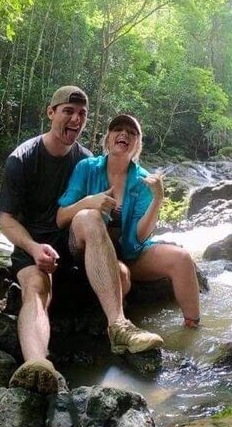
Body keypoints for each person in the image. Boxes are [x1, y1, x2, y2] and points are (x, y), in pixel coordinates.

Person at [0, 87, 163, 395]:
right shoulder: (22, 159)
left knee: (110, 255)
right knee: (35, 287)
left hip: (73, 247)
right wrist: (33, 248)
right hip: (33, 249)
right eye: (68, 111)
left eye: (82, 114)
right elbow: (6, 220)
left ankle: (119, 326)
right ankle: (37, 364)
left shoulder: (86, 161)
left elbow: (107, 220)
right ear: (51, 113)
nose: (76, 119)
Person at [56, 114, 201, 331]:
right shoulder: (86, 167)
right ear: (108, 138)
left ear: (136, 145)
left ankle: (193, 330)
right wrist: (88, 202)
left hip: (125, 252)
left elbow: (138, 239)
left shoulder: (142, 180)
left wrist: (158, 199)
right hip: (86, 249)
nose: (123, 134)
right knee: (91, 218)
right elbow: (61, 218)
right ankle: (117, 327)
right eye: (117, 129)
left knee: (181, 258)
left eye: (131, 133)